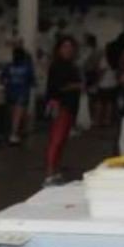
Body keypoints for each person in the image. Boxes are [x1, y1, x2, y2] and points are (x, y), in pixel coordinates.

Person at [43, 35, 82, 185]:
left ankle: (55, 170)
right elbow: (57, 87)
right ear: (59, 49)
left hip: (70, 107)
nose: (68, 50)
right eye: (65, 47)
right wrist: (75, 86)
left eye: (70, 47)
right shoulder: (57, 65)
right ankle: (49, 173)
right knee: (56, 140)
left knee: (62, 140)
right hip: (61, 107)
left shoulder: (71, 65)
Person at [0, 42, 36, 145]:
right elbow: (33, 81)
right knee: (18, 115)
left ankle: (16, 133)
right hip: (22, 94)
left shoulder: (8, 66)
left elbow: (2, 78)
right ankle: (14, 135)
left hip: (10, 93)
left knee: (14, 115)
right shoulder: (28, 67)